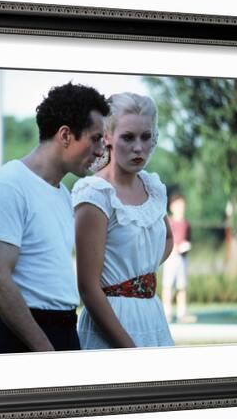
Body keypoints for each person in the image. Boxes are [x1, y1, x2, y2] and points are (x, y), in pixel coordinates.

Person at [0, 82, 110, 354]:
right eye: (95, 139)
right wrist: (45, 350)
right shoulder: (9, 185)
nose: (100, 151)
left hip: (62, 331)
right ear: (65, 135)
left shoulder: (62, 194)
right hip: (32, 340)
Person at [72, 92, 174, 349]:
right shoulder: (96, 193)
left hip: (152, 313)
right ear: (107, 136)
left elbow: (168, 238)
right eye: (128, 137)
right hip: (111, 320)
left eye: (146, 136)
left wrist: (138, 272)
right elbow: (87, 287)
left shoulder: (153, 187)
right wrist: (129, 349)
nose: (139, 147)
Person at [162, 193, 194, 323]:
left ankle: (182, 313)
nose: (180, 207)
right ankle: (167, 313)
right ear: (172, 206)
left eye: (182, 205)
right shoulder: (168, 221)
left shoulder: (186, 224)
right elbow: (165, 238)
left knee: (182, 286)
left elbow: (188, 239)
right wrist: (173, 248)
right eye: (178, 205)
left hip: (182, 258)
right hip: (170, 259)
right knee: (168, 286)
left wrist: (185, 247)